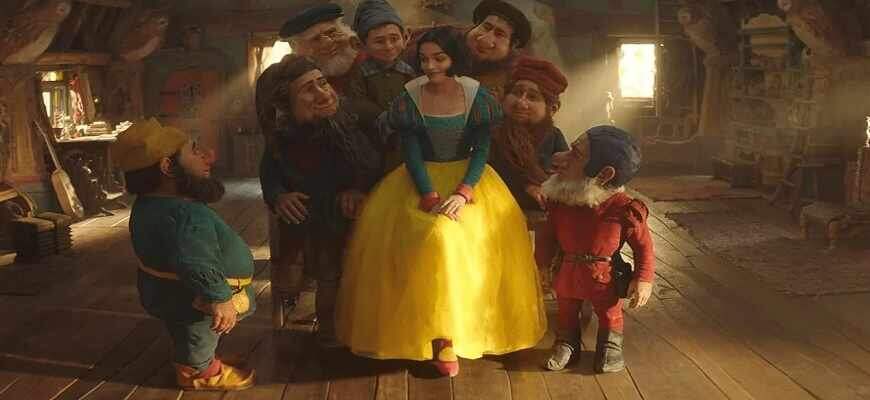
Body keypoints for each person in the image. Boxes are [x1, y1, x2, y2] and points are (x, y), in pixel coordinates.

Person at [335, 26, 546, 377]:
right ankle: (431, 337)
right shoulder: (410, 95)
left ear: (455, 59)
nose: (430, 66)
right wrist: (428, 193)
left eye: (439, 58)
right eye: (424, 59)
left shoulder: (476, 95)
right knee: (430, 238)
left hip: (471, 180)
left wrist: (463, 192)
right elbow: (411, 151)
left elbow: (482, 148)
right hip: (418, 180)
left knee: (458, 238)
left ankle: (457, 333)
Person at [112, 118, 255, 391]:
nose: (207, 156)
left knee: (186, 328)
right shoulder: (185, 214)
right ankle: (199, 371)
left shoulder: (149, 204)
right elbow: (195, 262)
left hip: (167, 291)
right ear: (167, 166)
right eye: (194, 150)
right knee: (198, 328)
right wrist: (219, 296)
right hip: (195, 297)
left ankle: (202, 357)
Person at [258, 55, 381, 345]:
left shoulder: (359, 115)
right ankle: (329, 333)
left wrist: (360, 188)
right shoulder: (284, 136)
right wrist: (278, 196)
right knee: (328, 271)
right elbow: (269, 172)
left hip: (365, 210)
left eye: (322, 82)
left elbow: (381, 158)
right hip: (319, 216)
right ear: (287, 104)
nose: (323, 93)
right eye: (308, 89)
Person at [534, 125, 655, 373]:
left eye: (575, 154)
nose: (559, 159)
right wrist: (542, 265)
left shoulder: (623, 208)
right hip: (567, 270)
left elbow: (643, 245)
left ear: (604, 174)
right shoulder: (560, 201)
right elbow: (547, 237)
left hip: (603, 275)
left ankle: (610, 345)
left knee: (609, 311)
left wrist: (643, 278)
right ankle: (566, 342)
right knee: (566, 309)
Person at [403, 0, 532, 100]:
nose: (484, 39)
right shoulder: (442, 39)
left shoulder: (514, 73)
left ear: (513, 45)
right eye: (486, 27)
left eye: (500, 34)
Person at [489, 56, 569, 214]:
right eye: (517, 93)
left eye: (532, 97)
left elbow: (566, 175)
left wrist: (547, 188)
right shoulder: (491, 132)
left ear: (552, 109)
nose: (520, 103)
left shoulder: (553, 136)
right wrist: (527, 185)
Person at [347, 0, 416, 173]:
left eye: (394, 39)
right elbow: (358, 105)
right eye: (379, 41)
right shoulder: (359, 75)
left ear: (405, 37)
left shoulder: (408, 72)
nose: (389, 47)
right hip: (373, 143)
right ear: (362, 45)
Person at [280, 3, 364, 95]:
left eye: (332, 32)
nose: (328, 42)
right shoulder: (306, 85)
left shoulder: (370, 57)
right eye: (316, 39)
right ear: (302, 50)